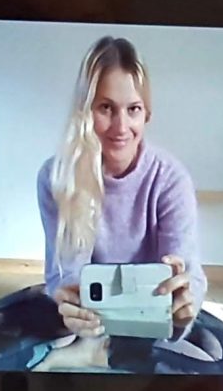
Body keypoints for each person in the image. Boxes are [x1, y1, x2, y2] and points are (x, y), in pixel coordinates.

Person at [34, 36, 208, 371]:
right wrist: (69, 303)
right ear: (85, 112)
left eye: (133, 110)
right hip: (89, 319)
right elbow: (64, 273)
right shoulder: (55, 177)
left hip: (151, 314)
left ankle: (101, 355)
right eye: (105, 108)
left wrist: (184, 306)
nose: (121, 127)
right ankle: (103, 353)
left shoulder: (171, 179)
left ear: (147, 114)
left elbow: (189, 273)